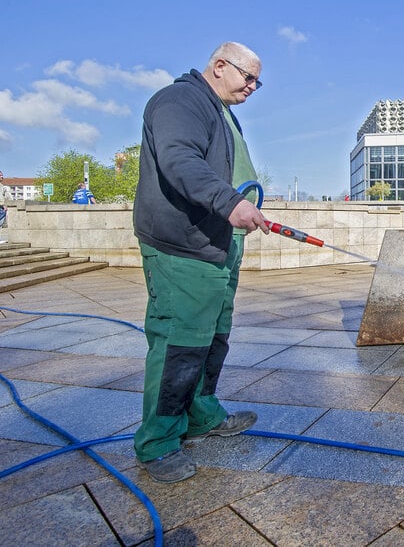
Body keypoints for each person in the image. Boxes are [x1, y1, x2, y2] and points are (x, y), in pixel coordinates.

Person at [132, 42, 270, 483]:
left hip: (218, 243)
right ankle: (158, 441)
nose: (253, 87)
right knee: (180, 343)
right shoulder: (180, 100)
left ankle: (201, 413)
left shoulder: (219, 110)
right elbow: (179, 159)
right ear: (218, 65)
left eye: (257, 81)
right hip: (183, 245)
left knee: (212, 338)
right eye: (248, 77)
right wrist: (229, 202)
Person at [0, 172, 12, 244]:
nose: (2, 176)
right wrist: (3, 205)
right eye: (0, 175)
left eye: (2, 175)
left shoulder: (1, 186)